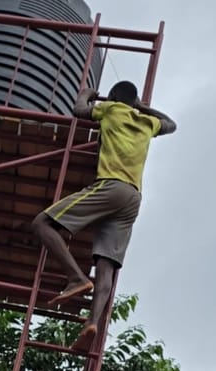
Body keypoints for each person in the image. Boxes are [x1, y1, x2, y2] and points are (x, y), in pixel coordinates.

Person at [31, 81, 177, 351]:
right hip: (133, 198)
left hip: (111, 185)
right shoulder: (148, 124)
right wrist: (143, 108)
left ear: (113, 98)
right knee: (106, 265)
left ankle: (76, 278)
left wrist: (87, 95)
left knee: (42, 223)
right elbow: (171, 124)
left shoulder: (110, 109)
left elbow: (79, 110)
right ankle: (92, 323)